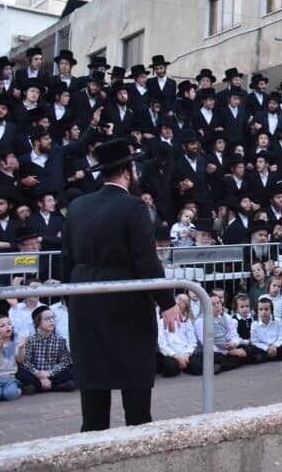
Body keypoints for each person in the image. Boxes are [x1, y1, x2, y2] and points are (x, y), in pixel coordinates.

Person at [60, 138, 182, 431]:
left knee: (93, 393)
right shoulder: (133, 207)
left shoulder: (77, 206)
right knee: (135, 389)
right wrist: (167, 302)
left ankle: (93, 447)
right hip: (124, 300)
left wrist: (70, 295)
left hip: (84, 297)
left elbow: (66, 258)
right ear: (128, 172)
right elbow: (146, 260)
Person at [17, 305, 74, 394]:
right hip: (35, 375)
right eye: (47, 318)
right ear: (38, 322)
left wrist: (50, 373)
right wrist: (38, 374)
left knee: (71, 370)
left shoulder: (60, 340)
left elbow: (65, 361)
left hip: (53, 374)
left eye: (52, 318)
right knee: (20, 372)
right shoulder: (30, 340)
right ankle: (54, 386)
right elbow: (25, 362)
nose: (52, 321)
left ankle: (39, 387)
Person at [0, 314, 24, 403]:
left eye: (9, 324)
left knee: (10, 395)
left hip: (10, 377)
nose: (7, 326)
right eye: (2, 326)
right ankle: (0, 391)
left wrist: (21, 348)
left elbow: (20, 360)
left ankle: (17, 388)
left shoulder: (14, 344)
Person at [250, 297, 282, 362]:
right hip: (263, 348)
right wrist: (267, 348)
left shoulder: (277, 321)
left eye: (266, 309)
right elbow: (255, 341)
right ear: (257, 311)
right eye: (261, 309)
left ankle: (266, 357)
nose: (263, 312)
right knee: (251, 349)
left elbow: (281, 336)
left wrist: (274, 346)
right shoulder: (254, 324)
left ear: (271, 310)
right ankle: (277, 356)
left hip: (276, 346)